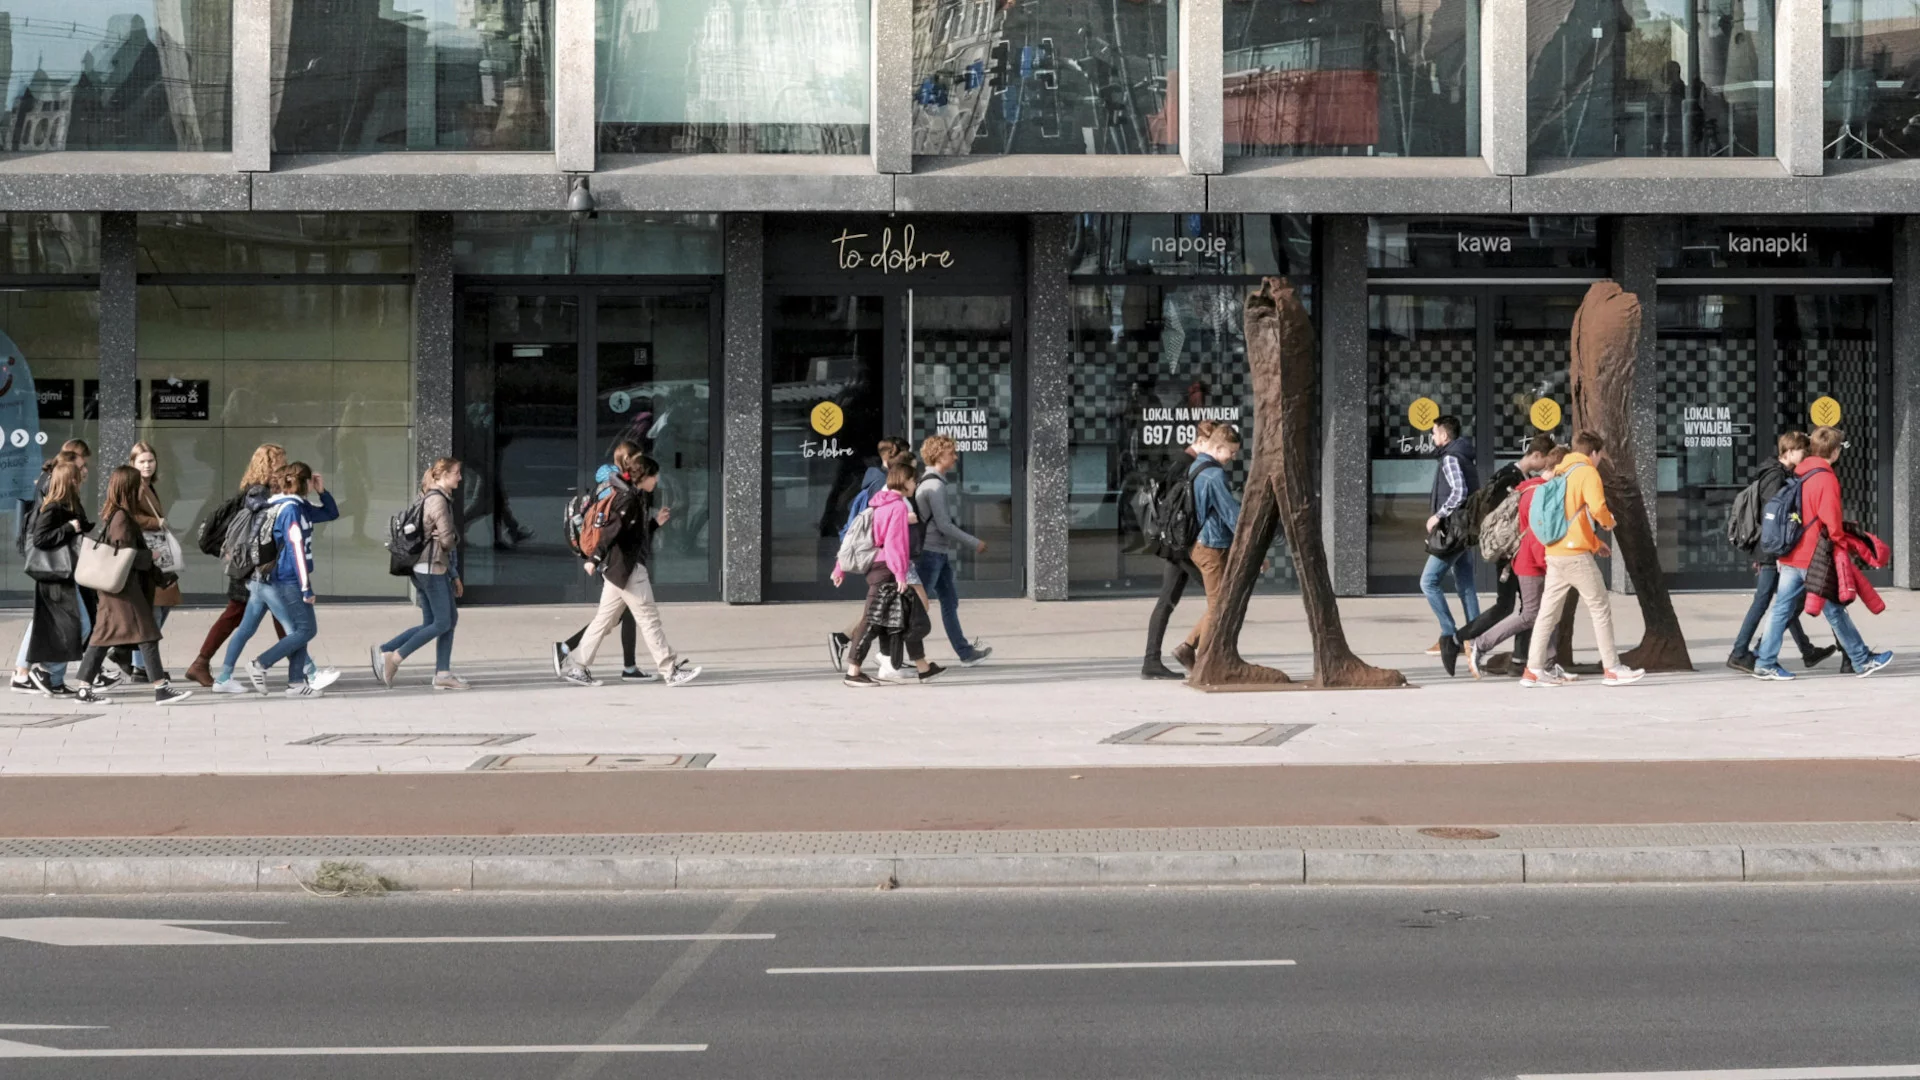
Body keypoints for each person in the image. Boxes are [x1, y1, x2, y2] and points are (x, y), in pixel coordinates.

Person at [1752, 426, 1894, 681]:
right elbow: (1832, 522)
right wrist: (1840, 543)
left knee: (1781, 609)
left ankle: (1765, 662)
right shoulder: (1825, 478)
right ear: (1835, 450)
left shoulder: (1800, 473)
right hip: (1815, 556)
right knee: (1835, 609)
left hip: (1791, 555)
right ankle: (1861, 660)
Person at [559, 443, 702, 688]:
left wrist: (655, 523)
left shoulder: (632, 497)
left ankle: (576, 665)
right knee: (649, 619)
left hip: (618, 570)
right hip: (627, 569)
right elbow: (610, 533)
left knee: (603, 621)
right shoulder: (628, 500)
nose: (656, 481)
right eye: (654, 476)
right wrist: (594, 560)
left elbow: (630, 533)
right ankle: (670, 670)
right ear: (644, 477)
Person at [1522, 431, 1645, 688]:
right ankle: (1612, 668)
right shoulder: (1587, 472)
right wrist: (1608, 523)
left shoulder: (1560, 471)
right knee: (1600, 607)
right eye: (1600, 455)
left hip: (1555, 551)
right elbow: (1596, 507)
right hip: (1576, 556)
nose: (1600, 460)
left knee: (1547, 613)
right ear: (1594, 453)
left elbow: (1569, 517)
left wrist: (1595, 543)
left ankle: (1533, 669)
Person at [73, 465, 193, 705]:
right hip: (124, 590)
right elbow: (123, 554)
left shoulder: (116, 513)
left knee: (104, 636)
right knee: (146, 634)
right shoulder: (121, 518)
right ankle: (160, 688)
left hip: (117, 589)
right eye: (137, 485)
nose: (141, 489)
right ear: (128, 488)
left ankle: (85, 688)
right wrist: (151, 556)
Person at [220, 463, 339, 698]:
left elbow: (331, 513)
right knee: (305, 630)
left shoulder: (295, 506)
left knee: (298, 630)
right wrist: (306, 587)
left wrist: (322, 492)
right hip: (288, 577)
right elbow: (295, 548)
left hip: (279, 577)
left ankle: (296, 683)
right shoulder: (290, 511)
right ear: (303, 484)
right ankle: (261, 664)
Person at [1727, 432, 1837, 674]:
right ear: (1788, 452)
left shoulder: (1779, 473)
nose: (1805, 455)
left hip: (1771, 549)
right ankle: (1740, 652)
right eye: (1801, 451)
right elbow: (1774, 516)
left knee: (1787, 602)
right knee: (1765, 602)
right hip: (1772, 550)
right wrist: (1776, 551)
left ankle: (1805, 650)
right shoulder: (1775, 475)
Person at [186, 444, 288, 687]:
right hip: (254, 568)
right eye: (282, 463)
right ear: (270, 466)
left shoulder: (254, 491)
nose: (286, 467)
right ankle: (302, 668)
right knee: (276, 617)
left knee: (267, 617)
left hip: (253, 567)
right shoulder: (259, 494)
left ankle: (202, 664)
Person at [840, 461, 944, 687]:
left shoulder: (879, 503)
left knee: (904, 617)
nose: (915, 485)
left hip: (879, 567)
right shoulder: (897, 507)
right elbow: (895, 544)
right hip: (887, 569)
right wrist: (900, 575)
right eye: (913, 481)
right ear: (905, 481)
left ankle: (923, 668)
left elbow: (855, 535)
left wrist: (839, 567)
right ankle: (853, 672)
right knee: (871, 620)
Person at [1464, 445, 1563, 680]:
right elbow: (1536, 532)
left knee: (1547, 611)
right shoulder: (1540, 492)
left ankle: (1546, 662)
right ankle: (1481, 643)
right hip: (1532, 561)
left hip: (1530, 560)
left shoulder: (1528, 486)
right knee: (1531, 613)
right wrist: (1547, 560)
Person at [372, 457, 467, 690]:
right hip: (430, 568)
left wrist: (453, 574)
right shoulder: (439, 501)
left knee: (444, 620)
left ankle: (441, 672)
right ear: (443, 474)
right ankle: (393, 658)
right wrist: (454, 538)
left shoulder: (430, 497)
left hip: (430, 567)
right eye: (456, 473)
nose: (460, 477)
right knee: (443, 621)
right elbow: (446, 540)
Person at [552, 461, 647, 683]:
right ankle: (568, 650)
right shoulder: (615, 494)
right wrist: (596, 559)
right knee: (609, 618)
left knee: (616, 616)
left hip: (611, 561)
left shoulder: (605, 491)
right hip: (614, 562)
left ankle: (628, 667)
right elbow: (612, 531)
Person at [12, 443, 95, 693]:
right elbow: (41, 538)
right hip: (57, 573)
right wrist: (70, 528)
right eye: (77, 473)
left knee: (75, 625)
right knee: (78, 625)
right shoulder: (53, 506)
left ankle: (54, 678)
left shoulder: (67, 503)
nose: (82, 476)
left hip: (67, 571)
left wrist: (81, 526)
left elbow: (75, 526)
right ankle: (45, 670)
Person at [829, 435, 912, 671]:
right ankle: (855, 664)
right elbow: (877, 537)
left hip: (885, 564)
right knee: (876, 617)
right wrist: (900, 574)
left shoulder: (880, 493)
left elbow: (858, 531)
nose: (915, 481)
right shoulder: (885, 494)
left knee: (884, 614)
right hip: (885, 564)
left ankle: (889, 661)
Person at [1142, 421, 1217, 679]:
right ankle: (1200, 653)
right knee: (1221, 597)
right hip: (1182, 546)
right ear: (1204, 441)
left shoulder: (1181, 462)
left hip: (1173, 544)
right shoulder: (1188, 465)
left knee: (1166, 601)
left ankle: (1151, 661)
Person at [914, 434, 992, 667]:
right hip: (930, 554)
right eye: (952, 454)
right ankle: (893, 655)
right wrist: (974, 542)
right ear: (939, 456)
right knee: (917, 608)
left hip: (937, 554)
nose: (956, 458)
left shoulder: (928, 482)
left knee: (949, 600)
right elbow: (944, 525)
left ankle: (965, 652)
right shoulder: (934, 486)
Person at [1173, 424, 1245, 672]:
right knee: (1219, 606)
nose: (1232, 458)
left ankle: (1191, 649)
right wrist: (1249, 545)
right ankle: (1199, 656)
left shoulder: (1196, 468)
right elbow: (1231, 514)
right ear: (1217, 447)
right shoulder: (1214, 476)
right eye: (1230, 452)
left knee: (1220, 603)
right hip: (1212, 546)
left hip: (1200, 544)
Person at [1421, 415, 1480, 672]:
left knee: (1428, 581)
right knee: (1465, 584)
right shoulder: (1463, 456)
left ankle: (1449, 635)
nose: (1433, 438)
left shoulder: (1450, 458)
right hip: (1464, 529)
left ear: (1444, 436)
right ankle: (1476, 639)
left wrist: (1437, 515)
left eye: (1434, 433)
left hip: (1453, 532)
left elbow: (1459, 492)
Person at [120, 443, 179, 683]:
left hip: (157, 551)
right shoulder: (134, 486)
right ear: (132, 464)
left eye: (150, 461)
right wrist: (157, 523)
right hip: (146, 554)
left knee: (163, 605)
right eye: (142, 461)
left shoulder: (148, 486)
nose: (147, 465)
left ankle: (137, 660)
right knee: (154, 608)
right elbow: (128, 516)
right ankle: (141, 665)